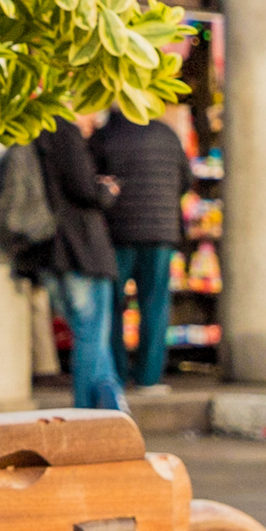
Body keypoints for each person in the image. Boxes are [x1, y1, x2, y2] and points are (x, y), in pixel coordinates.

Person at [89, 100, 195, 399]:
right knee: (155, 304)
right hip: (161, 230)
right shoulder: (166, 134)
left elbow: (91, 183)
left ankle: (117, 375)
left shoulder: (105, 135)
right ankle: (149, 377)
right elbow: (185, 179)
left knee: (113, 304)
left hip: (117, 232)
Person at [19, 113, 121, 413]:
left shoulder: (33, 133)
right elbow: (84, 189)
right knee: (91, 334)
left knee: (88, 333)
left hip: (52, 252)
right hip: (81, 251)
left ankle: (109, 409)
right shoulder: (63, 132)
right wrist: (107, 190)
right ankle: (90, 411)